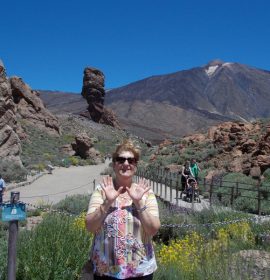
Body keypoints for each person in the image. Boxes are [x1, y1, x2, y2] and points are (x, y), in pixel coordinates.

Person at [85, 139, 160, 280]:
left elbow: (153, 229)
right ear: (114, 164)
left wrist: (138, 203)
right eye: (121, 160)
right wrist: (107, 202)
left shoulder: (146, 193)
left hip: (140, 271)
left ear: (135, 165)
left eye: (131, 161)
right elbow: (90, 226)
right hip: (105, 271)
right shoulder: (101, 191)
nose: (126, 164)